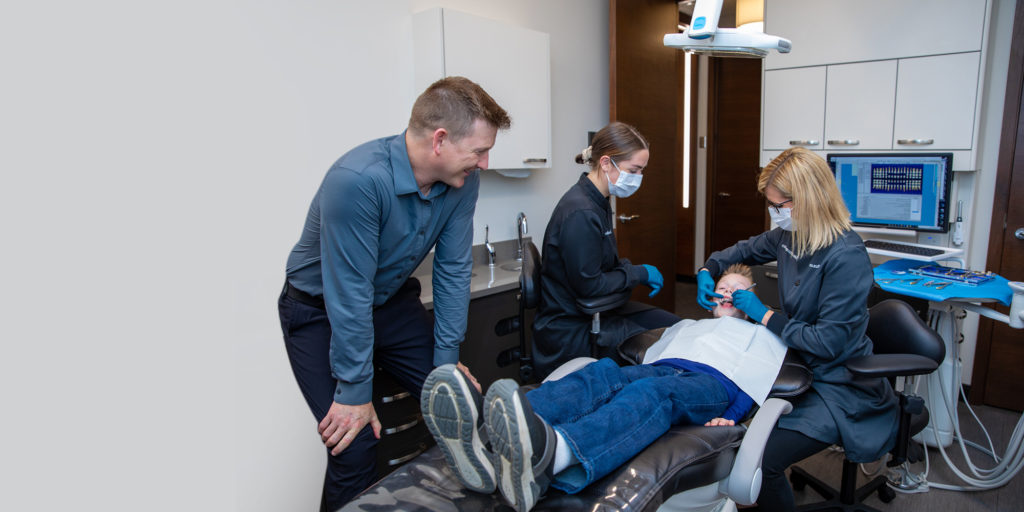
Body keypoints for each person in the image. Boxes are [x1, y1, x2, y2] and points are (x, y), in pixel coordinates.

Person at [277, 76, 510, 509]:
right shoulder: (358, 180)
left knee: (463, 404)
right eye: (479, 150)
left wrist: (445, 366)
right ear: (440, 140)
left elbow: (454, 267)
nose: (484, 162)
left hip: (390, 301)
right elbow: (348, 295)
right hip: (320, 311)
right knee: (356, 442)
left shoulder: (462, 182)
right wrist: (354, 392)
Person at [421, 265, 788, 512]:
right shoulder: (690, 325)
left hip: (710, 386)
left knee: (650, 397)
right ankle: (487, 434)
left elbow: (754, 379)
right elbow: (650, 360)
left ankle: (554, 457)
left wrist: (732, 417)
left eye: (738, 292)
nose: (728, 294)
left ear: (753, 299)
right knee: (604, 373)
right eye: (723, 288)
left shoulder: (761, 333)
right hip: (664, 369)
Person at [694, 147, 899, 511]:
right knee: (740, 433)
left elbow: (828, 342)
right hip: (796, 366)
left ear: (809, 198)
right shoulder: (790, 237)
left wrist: (764, 314)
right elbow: (741, 250)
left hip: (840, 384)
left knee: (760, 459)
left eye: (780, 205)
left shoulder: (845, 257)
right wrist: (708, 269)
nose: (775, 214)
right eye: (772, 205)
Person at [532, 121, 681, 377]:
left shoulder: (599, 200)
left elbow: (603, 261)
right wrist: (639, 273)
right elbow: (590, 285)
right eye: (634, 170)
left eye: (642, 171)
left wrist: (631, 270)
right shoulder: (580, 212)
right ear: (605, 163)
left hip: (600, 311)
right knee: (668, 348)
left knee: (678, 328)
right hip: (573, 326)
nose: (638, 178)